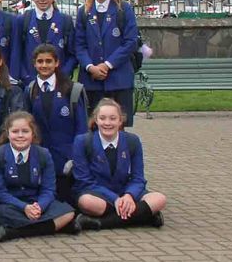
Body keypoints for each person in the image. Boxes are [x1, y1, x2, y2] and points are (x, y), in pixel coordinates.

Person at [71, 98, 167, 230]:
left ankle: (100, 223)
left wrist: (129, 195)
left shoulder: (132, 141)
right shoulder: (82, 141)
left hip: (124, 191)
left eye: (113, 118)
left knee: (159, 199)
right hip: (96, 193)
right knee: (86, 202)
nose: (107, 123)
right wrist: (115, 199)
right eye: (102, 118)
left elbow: (138, 178)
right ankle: (144, 216)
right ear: (96, 120)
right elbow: (84, 180)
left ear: (120, 120)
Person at [0, 111, 78, 241]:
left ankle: (14, 232)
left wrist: (39, 206)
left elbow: (49, 189)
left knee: (68, 213)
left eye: (25, 131)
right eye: (15, 131)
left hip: (36, 202)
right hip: (10, 205)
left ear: (33, 133)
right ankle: (55, 226)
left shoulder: (43, 154)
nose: (20, 135)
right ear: (7, 133)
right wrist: (24, 208)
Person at [74, 0, 140, 126]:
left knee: (118, 127)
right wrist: (90, 67)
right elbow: (79, 44)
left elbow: (131, 42)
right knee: (93, 127)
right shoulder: (84, 12)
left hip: (119, 80)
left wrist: (107, 65)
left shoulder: (123, 9)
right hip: (91, 81)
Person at [26, 43, 88, 202]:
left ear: (57, 63)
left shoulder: (72, 90)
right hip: (41, 158)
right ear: (34, 63)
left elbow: (82, 129)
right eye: (40, 61)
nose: (44, 65)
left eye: (49, 61)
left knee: (67, 202)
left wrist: (75, 156)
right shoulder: (30, 90)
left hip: (66, 160)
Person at [12, 0, 75, 85]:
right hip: (31, 82)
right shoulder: (23, 20)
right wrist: (25, 77)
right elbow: (16, 52)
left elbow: (73, 53)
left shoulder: (65, 21)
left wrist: (63, 75)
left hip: (58, 82)